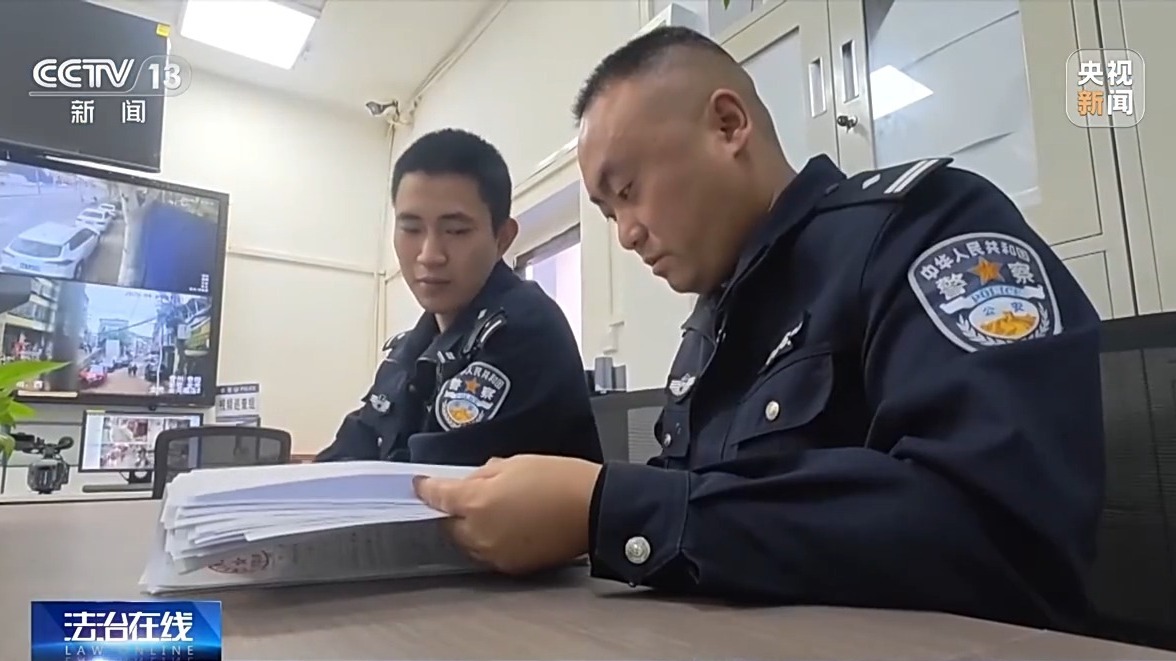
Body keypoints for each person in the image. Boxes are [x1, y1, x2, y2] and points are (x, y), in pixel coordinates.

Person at [413, 27, 1105, 630]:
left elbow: (997, 528)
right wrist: (578, 512)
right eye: (607, 212)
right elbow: (717, 519)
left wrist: (604, 507)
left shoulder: (920, 230)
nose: (626, 233)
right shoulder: (708, 328)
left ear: (727, 124)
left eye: (628, 192)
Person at [315, 128, 601, 466]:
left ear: (502, 239)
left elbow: (429, 483)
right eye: (411, 229)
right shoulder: (412, 349)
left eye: (456, 231)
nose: (429, 255)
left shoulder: (524, 328)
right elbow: (349, 449)